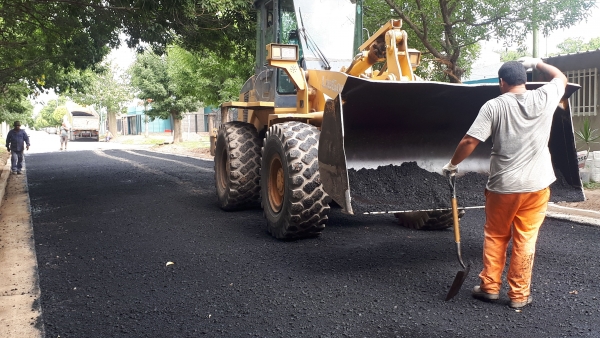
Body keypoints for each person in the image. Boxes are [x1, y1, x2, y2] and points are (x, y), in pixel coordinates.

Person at [442, 58, 568, 309]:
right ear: (525, 80)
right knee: (526, 238)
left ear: (502, 82)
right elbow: (561, 78)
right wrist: (539, 63)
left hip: (503, 186)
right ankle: (519, 296)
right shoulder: (545, 96)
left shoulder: (494, 106)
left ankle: (490, 287)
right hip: (537, 185)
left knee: (496, 236)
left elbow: (469, 140)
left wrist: (452, 164)